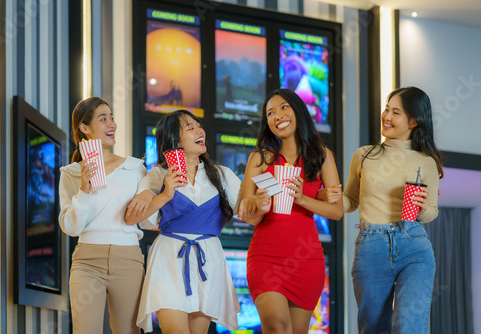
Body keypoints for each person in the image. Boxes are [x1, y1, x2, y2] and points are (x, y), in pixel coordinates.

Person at [325, 86, 443, 333]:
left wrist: (421, 209)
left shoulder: (427, 161)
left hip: (414, 244)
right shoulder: (365, 155)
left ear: (413, 120)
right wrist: (328, 196)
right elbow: (350, 201)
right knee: (373, 328)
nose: (386, 117)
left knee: (408, 325)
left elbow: (432, 211)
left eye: (395, 112)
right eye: (386, 109)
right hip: (371, 244)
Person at [125, 110, 242, 334]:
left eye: (199, 126)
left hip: (208, 258)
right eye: (190, 127)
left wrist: (261, 200)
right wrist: (166, 194)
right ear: (174, 140)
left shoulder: (222, 174)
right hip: (168, 258)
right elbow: (133, 217)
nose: (200, 130)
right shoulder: (158, 175)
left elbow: (248, 208)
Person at [238, 88, 343, 334]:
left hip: (306, 258)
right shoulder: (260, 159)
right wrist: (260, 207)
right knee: (277, 327)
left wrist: (303, 199)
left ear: (298, 110)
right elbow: (248, 214)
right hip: (266, 256)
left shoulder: (322, 157)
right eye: (270, 113)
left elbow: (336, 212)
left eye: (284, 107)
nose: (278, 116)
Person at [58, 97, 147, 333]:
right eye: (103, 119)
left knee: (128, 330)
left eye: (112, 118)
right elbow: (70, 227)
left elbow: (147, 220)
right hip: (86, 261)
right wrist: (84, 190)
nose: (112, 124)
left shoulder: (135, 168)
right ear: (84, 128)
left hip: (128, 258)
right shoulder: (70, 173)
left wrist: (161, 194)